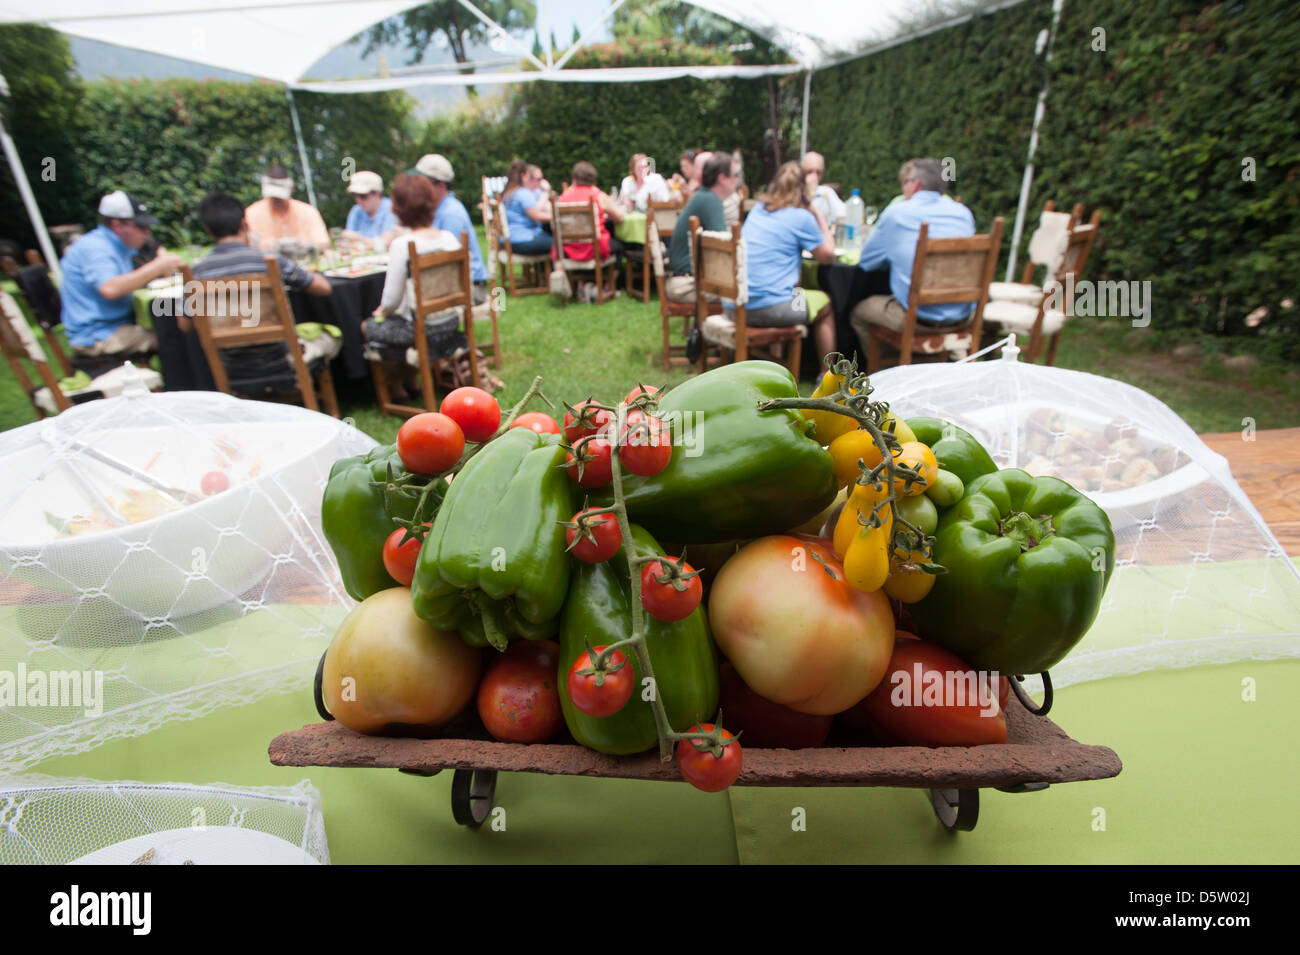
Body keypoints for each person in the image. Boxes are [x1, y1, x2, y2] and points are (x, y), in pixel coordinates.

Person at [180, 192, 332, 392]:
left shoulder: (197, 273)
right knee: (329, 337)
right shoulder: (269, 261)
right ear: (244, 224)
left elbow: (185, 325)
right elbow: (323, 289)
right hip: (280, 359)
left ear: (208, 231)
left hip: (231, 366)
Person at [850, 156, 977, 347]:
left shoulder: (897, 213)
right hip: (963, 315)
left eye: (906, 182)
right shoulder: (964, 214)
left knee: (858, 313)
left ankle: (884, 372)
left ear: (915, 184)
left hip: (919, 319)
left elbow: (867, 262)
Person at [363, 175, 467, 395]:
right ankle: (411, 383)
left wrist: (381, 311)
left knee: (369, 326)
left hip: (421, 330)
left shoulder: (403, 245)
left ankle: (395, 388)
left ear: (398, 208)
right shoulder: (449, 239)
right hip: (450, 322)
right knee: (399, 321)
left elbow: (390, 301)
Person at [58, 190, 184, 359]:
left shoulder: (118, 245)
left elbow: (152, 251)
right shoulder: (96, 248)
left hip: (114, 325)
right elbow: (110, 288)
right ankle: (184, 384)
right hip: (99, 335)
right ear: (117, 225)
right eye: (141, 226)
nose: (147, 232)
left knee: (176, 323)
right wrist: (157, 267)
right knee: (177, 336)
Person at [737, 161, 837, 364]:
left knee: (792, 290)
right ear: (803, 190)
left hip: (736, 305)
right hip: (770, 309)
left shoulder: (758, 210)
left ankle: (776, 360)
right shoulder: (801, 217)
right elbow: (828, 256)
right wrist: (816, 213)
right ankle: (827, 374)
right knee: (825, 303)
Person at [415, 153, 488, 305]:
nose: (417, 187)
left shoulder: (450, 213)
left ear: (440, 185)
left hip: (470, 288)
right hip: (455, 281)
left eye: (422, 183)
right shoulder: (438, 208)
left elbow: (445, 260)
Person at [665, 152, 736, 304]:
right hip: (686, 284)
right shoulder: (710, 200)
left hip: (683, 278)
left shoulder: (704, 196)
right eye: (735, 175)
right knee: (752, 292)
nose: (738, 179)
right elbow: (723, 251)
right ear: (722, 178)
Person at [245, 163, 330, 252]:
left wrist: (306, 246)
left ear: (291, 189)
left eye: (280, 197)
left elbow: (324, 243)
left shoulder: (307, 211)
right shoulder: (251, 214)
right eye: (273, 196)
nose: (277, 200)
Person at [557, 161, 625, 265]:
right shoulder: (598, 195)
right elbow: (620, 217)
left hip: (569, 249)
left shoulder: (564, 197)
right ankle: (607, 281)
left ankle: (580, 281)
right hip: (594, 249)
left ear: (574, 178)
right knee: (619, 247)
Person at [499, 159, 552, 255]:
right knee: (560, 244)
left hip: (509, 239)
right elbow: (537, 216)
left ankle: (543, 268)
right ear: (524, 176)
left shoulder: (509, 192)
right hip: (522, 239)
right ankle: (558, 269)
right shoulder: (522, 193)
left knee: (550, 238)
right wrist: (557, 216)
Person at [340, 171, 396, 248]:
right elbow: (347, 243)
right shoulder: (356, 210)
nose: (358, 200)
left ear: (377, 193)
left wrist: (358, 238)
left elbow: (385, 243)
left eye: (363, 196)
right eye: (354, 195)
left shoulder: (390, 208)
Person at [802, 151, 847, 228]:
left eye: (818, 172)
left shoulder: (826, 192)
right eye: (809, 171)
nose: (814, 176)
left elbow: (842, 213)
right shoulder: (792, 193)